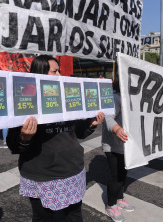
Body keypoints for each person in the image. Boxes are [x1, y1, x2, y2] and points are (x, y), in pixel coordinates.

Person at [6, 55, 105, 222]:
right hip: (41, 176)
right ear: (39, 74)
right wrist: (24, 138)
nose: (60, 75)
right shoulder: (24, 101)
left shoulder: (67, 98)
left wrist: (92, 124)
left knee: (74, 216)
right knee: (44, 218)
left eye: (60, 70)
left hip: (72, 171)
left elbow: (78, 133)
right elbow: (13, 144)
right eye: (55, 71)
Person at [102, 76, 134, 222]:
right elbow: (108, 117)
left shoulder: (130, 98)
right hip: (113, 146)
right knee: (116, 176)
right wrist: (116, 129)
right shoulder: (115, 97)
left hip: (125, 145)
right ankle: (111, 204)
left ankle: (119, 198)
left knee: (123, 173)